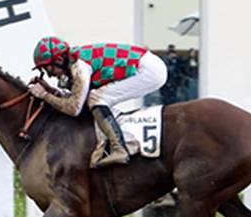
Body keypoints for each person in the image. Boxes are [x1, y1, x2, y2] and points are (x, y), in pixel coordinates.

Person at [28, 36, 168, 168]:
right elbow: (76, 98)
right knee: (95, 98)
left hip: (149, 71)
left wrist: (44, 95)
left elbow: (74, 108)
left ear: (59, 59)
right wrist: (50, 90)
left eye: (47, 68)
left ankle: (119, 149)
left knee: (97, 98)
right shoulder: (74, 62)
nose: (49, 74)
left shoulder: (80, 68)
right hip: (146, 64)